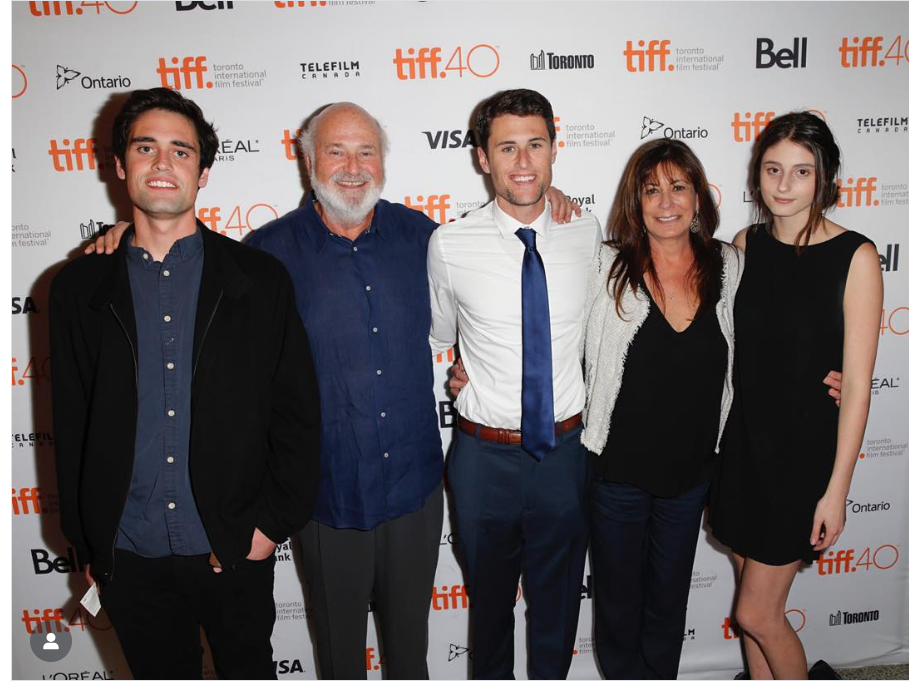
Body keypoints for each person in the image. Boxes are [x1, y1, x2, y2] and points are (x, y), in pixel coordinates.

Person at [88, 100, 579, 680]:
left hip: (414, 493)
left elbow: (496, 270)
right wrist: (123, 235)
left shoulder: (426, 239)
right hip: (325, 497)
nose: (353, 166)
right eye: (336, 151)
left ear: (384, 163)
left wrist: (556, 203)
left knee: (410, 657)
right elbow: (183, 258)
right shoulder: (265, 254)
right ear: (308, 161)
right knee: (339, 660)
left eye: (366, 151)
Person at [50, 88, 321, 679]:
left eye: (181, 150)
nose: (163, 163)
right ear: (121, 166)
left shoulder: (259, 279)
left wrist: (267, 528)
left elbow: (296, 414)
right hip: (128, 553)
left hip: (231, 547)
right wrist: (89, 541)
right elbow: (70, 422)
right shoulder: (79, 289)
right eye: (146, 147)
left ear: (202, 173)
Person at [428, 89, 601, 679]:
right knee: (490, 613)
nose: (523, 162)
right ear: (482, 157)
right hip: (481, 460)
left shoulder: (587, 232)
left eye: (536, 145)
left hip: (564, 455)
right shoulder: (449, 245)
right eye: (507, 147)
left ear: (555, 150)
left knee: (557, 611)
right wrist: (455, 378)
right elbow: (439, 338)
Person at [708, 111, 883, 680]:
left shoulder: (855, 256)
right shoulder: (744, 244)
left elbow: (856, 386)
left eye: (801, 172)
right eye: (772, 169)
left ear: (825, 177)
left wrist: (837, 493)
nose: (784, 185)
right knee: (756, 608)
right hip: (740, 452)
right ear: (757, 174)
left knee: (756, 611)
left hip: (801, 460)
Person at [580, 138, 742, 679]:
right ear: (635, 201)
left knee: (669, 604)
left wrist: (825, 376)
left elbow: (771, 339)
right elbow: (548, 329)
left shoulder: (731, 265)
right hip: (617, 473)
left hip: (691, 475)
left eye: (678, 187)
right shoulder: (605, 265)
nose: (666, 201)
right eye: (652, 190)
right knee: (619, 608)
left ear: (698, 197)